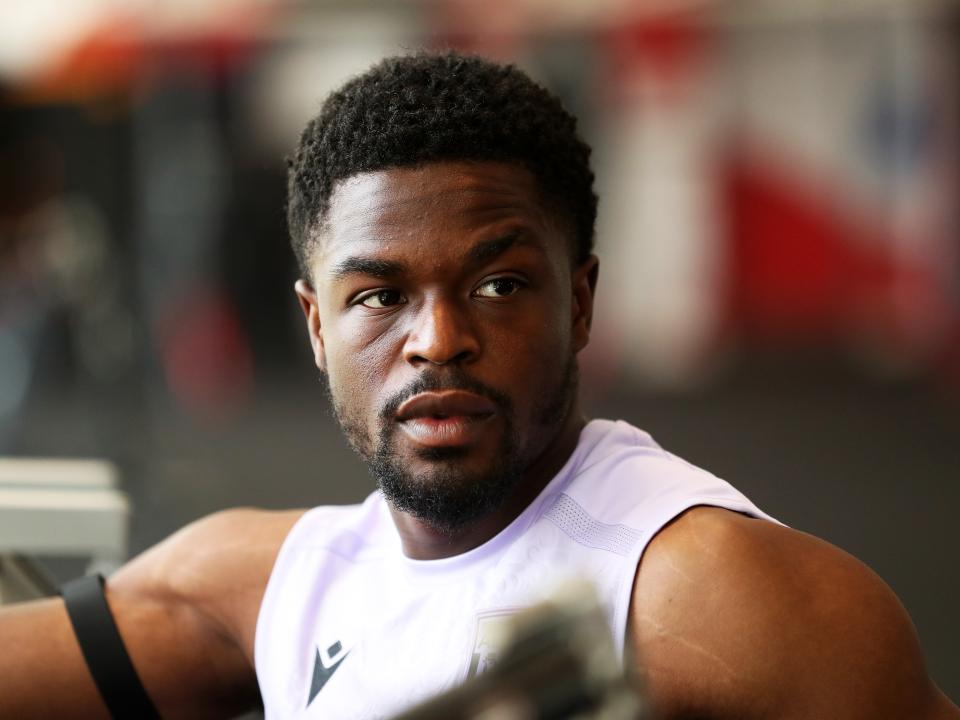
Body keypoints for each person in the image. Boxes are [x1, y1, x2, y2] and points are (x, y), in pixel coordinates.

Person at [1, 51, 957, 720]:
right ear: (317, 327)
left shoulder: (716, 594)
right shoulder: (259, 585)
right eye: (380, 296)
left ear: (579, 303)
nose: (439, 342)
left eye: (498, 285)